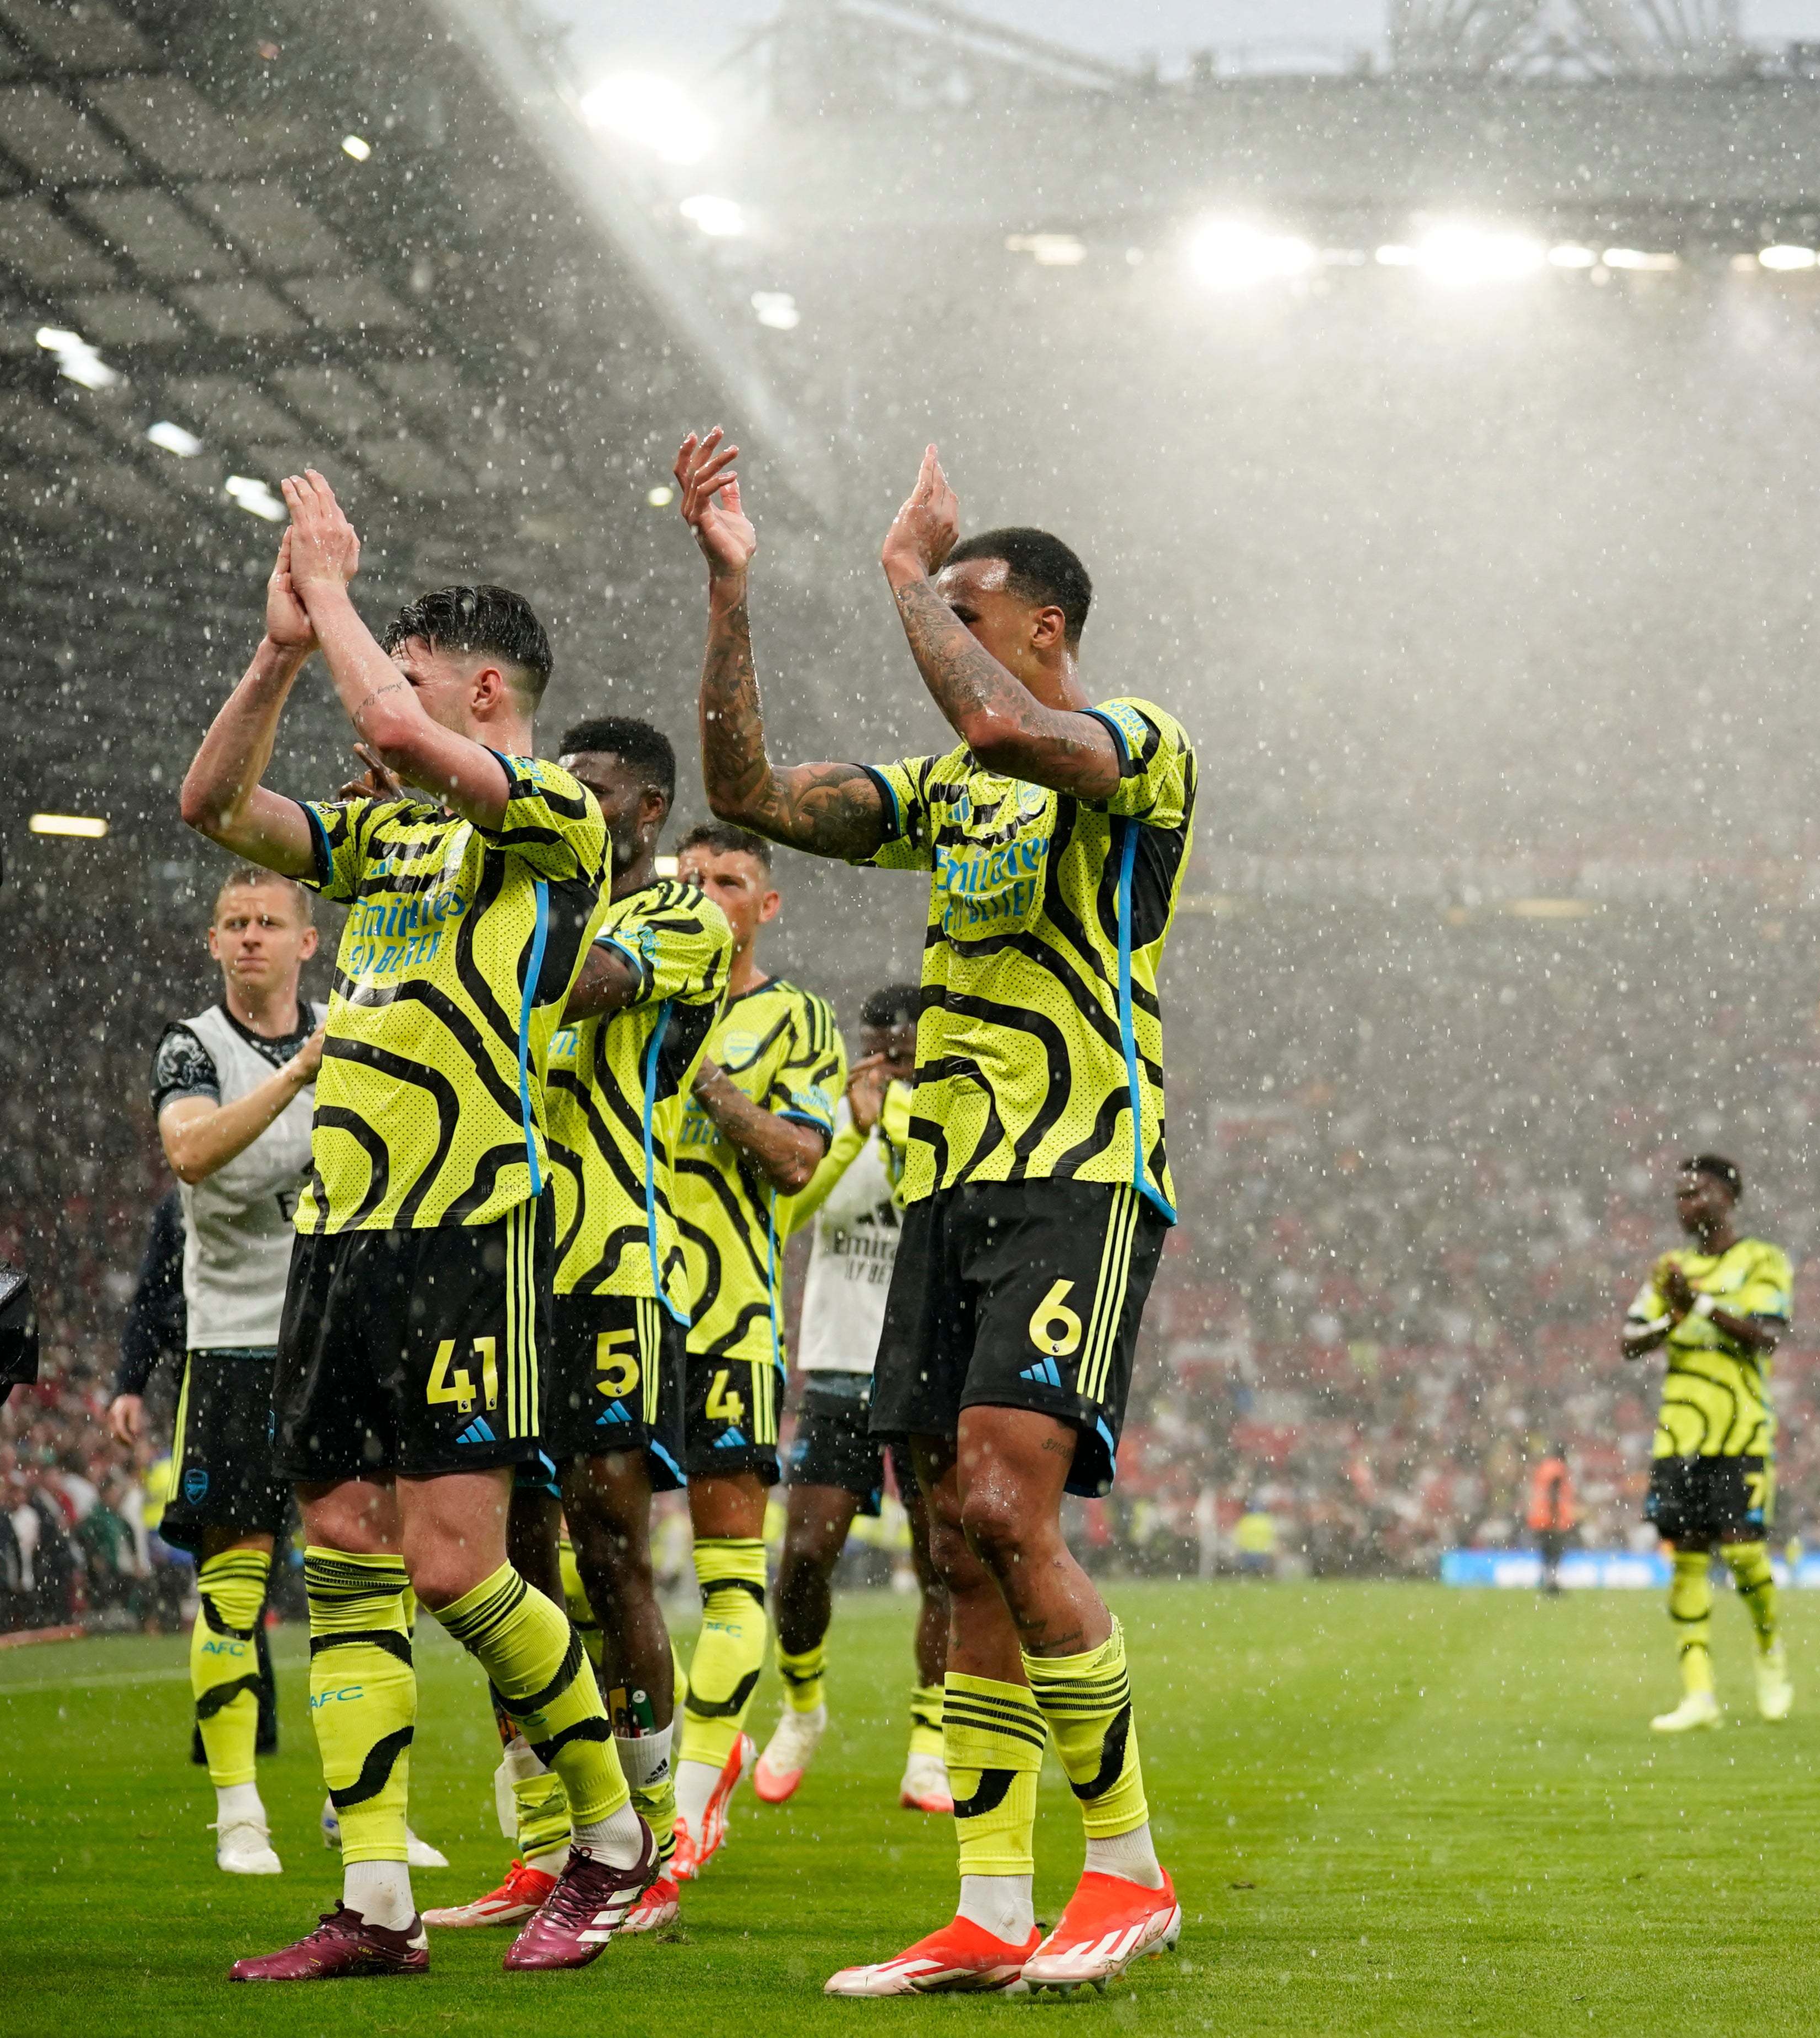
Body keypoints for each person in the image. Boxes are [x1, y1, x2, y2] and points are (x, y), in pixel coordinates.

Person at [678, 430, 1195, 1994]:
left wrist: (907, 573)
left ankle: (1127, 1877)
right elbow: (746, 791)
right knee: (958, 1552)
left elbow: (993, 714)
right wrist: (731, 595)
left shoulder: (1134, 744)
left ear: (1043, 625)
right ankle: (986, 1905)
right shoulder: (950, 794)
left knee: (1003, 1512)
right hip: (946, 1191)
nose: (940, 650)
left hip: (1078, 1169)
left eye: (969, 616)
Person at [179, 477, 651, 1980]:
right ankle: (375, 1903)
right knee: (340, 1553)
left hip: (466, 1229)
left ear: (484, 686)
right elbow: (211, 809)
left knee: (457, 1565)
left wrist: (326, 594)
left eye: (413, 657)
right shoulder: (386, 846)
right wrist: (275, 657)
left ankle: (611, 1841)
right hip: (341, 1233)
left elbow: (391, 730)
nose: (387, 680)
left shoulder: (552, 816)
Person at [426, 715, 732, 1937]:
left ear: (647, 811)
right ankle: (547, 1843)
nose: (567, 805)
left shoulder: (675, 922)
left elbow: (569, 983)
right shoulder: (519, 897)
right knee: (513, 1559)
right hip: (502, 1260)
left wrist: (464, 831)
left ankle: (647, 1846)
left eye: (590, 792)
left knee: (611, 1549)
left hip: (609, 1263)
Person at [125, 865, 321, 1877]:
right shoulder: (192, 1047)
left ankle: (358, 1807)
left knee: (355, 1584)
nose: (250, 937)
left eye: (268, 923)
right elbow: (193, 1154)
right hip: (237, 1343)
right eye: (234, 924)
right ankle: (239, 1811)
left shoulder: (347, 1038)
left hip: (332, 1345)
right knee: (233, 1595)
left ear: (307, 943)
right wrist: (298, 1078)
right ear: (214, 944)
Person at [664, 818, 840, 1878]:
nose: (705, 894)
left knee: (731, 1581)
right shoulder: (622, 992)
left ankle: (688, 1803)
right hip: (611, 1309)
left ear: (765, 905)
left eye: (728, 880)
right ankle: (592, 1810)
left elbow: (794, 1158)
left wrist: (706, 1082)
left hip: (728, 1320)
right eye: (689, 879)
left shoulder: (798, 1019)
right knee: (590, 1572)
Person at [754, 983, 959, 1818]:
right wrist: (852, 1127)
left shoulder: (946, 1118)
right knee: (804, 1556)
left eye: (902, 1047)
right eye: (877, 1045)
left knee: (944, 1561)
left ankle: (931, 1748)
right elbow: (789, 1216)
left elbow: (934, 1214)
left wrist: (900, 1121)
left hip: (925, 1366)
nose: (888, 1060)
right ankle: (803, 1707)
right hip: (841, 1365)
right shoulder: (831, 1116)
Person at [1618, 1156, 1793, 1730]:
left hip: (1741, 1429)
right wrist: (1672, 1316)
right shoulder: (1669, 1267)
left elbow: (1765, 1336)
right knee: (1687, 1558)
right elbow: (1629, 1339)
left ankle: (1769, 1650)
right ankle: (1699, 1695)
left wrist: (1697, 1304)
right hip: (1680, 1435)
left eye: (1695, 1192)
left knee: (1744, 1553)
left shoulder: (1762, 1260)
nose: (1684, 1203)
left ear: (1727, 1194)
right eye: (1679, 1194)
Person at [1525, 1444, 1576, 1596]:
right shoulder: (1558, 1469)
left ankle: (1546, 1582)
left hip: (1540, 1518)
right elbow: (1554, 1491)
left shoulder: (1544, 1468)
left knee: (1547, 1553)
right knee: (1555, 1554)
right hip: (1552, 1520)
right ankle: (1552, 1584)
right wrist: (1556, 1517)